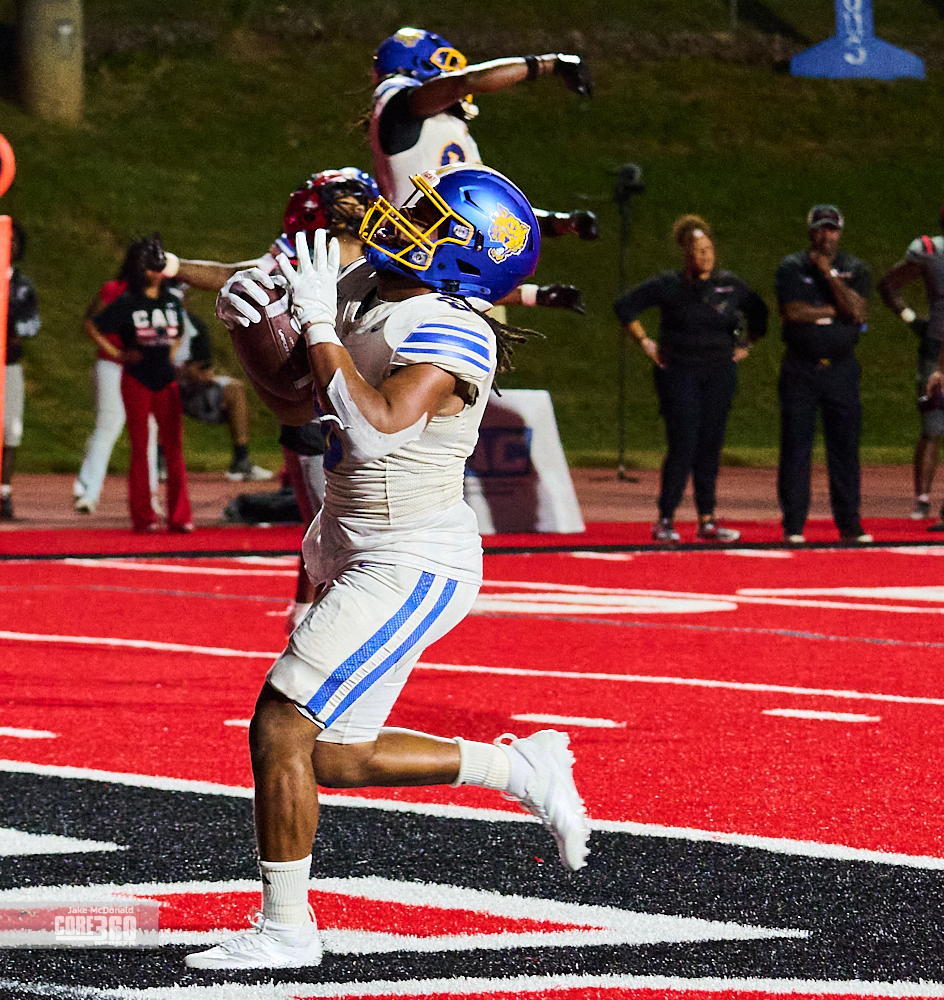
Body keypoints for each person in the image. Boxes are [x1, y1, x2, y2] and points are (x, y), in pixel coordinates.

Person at [185, 163, 590, 971]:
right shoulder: (373, 285)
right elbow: (299, 403)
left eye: (431, 220)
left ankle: (286, 931)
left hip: (412, 559)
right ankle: (521, 767)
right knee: (335, 754)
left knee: (281, 724)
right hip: (358, 543)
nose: (403, 221)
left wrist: (317, 323)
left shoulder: (455, 328)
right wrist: (252, 326)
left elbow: (372, 431)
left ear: (467, 255)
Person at [369, 27, 597, 251]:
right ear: (422, 66)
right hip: (411, 250)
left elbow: (482, 208)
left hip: (445, 252)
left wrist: (558, 223)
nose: (453, 73)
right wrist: (548, 64)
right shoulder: (399, 110)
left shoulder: (446, 127)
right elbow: (466, 82)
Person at [614, 215, 768, 543]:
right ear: (686, 253)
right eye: (699, 250)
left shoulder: (729, 285)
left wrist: (746, 345)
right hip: (680, 372)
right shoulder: (669, 285)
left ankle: (707, 520)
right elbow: (624, 307)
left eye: (709, 249)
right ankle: (665, 519)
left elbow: (760, 314)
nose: (705, 256)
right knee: (683, 444)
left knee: (710, 445)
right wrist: (646, 343)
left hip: (719, 373)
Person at [775, 205, 872, 544]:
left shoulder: (855, 268)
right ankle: (793, 524)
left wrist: (828, 275)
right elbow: (792, 311)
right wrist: (836, 310)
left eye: (831, 229)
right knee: (796, 447)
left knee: (845, 447)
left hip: (841, 370)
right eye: (820, 228)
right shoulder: (791, 267)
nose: (826, 235)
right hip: (801, 369)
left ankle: (849, 523)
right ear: (810, 232)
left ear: (839, 232)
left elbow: (857, 312)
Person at [85, 236, 193, 533]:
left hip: (165, 379)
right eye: (150, 268)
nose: (155, 274)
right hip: (136, 377)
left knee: (174, 448)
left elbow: (179, 332)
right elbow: (93, 325)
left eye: (159, 268)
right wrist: (118, 353)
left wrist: (171, 354)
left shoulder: (171, 300)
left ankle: (180, 516)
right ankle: (143, 515)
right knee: (140, 446)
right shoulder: (129, 301)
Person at [73, 239, 166, 515]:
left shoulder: (160, 293)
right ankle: (88, 491)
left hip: (145, 368)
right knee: (109, 425)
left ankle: (149, 496)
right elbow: (91, 324)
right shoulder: (115, 290)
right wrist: (116, 352)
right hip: (113, 365)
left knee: (149, 430)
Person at [878, 206, 944, 523]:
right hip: (937, 345)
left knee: (932, 425)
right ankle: (922, 499)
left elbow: (888, 285)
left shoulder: (931, 251)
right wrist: (912, 320)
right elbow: (889, 284)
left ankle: (923, 502)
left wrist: (913, 320)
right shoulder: (930, 252)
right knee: (932, 424)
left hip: (935, 342)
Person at [173, 291, 274, 483]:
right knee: (160, 392)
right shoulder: (155, 326)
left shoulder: (194, 325)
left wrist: (198, 374)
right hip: (162, 384)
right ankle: (161, 459)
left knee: (235, 389)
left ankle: (241, 460)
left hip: (191, 387)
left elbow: (204, 366)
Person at [1, 221, 40, 521]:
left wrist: (13, 325)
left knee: (10, 430)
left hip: (9, 364)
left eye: (13, 239)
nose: (9, 244)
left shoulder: (22, 286)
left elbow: (32, 324)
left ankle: (3, 493)